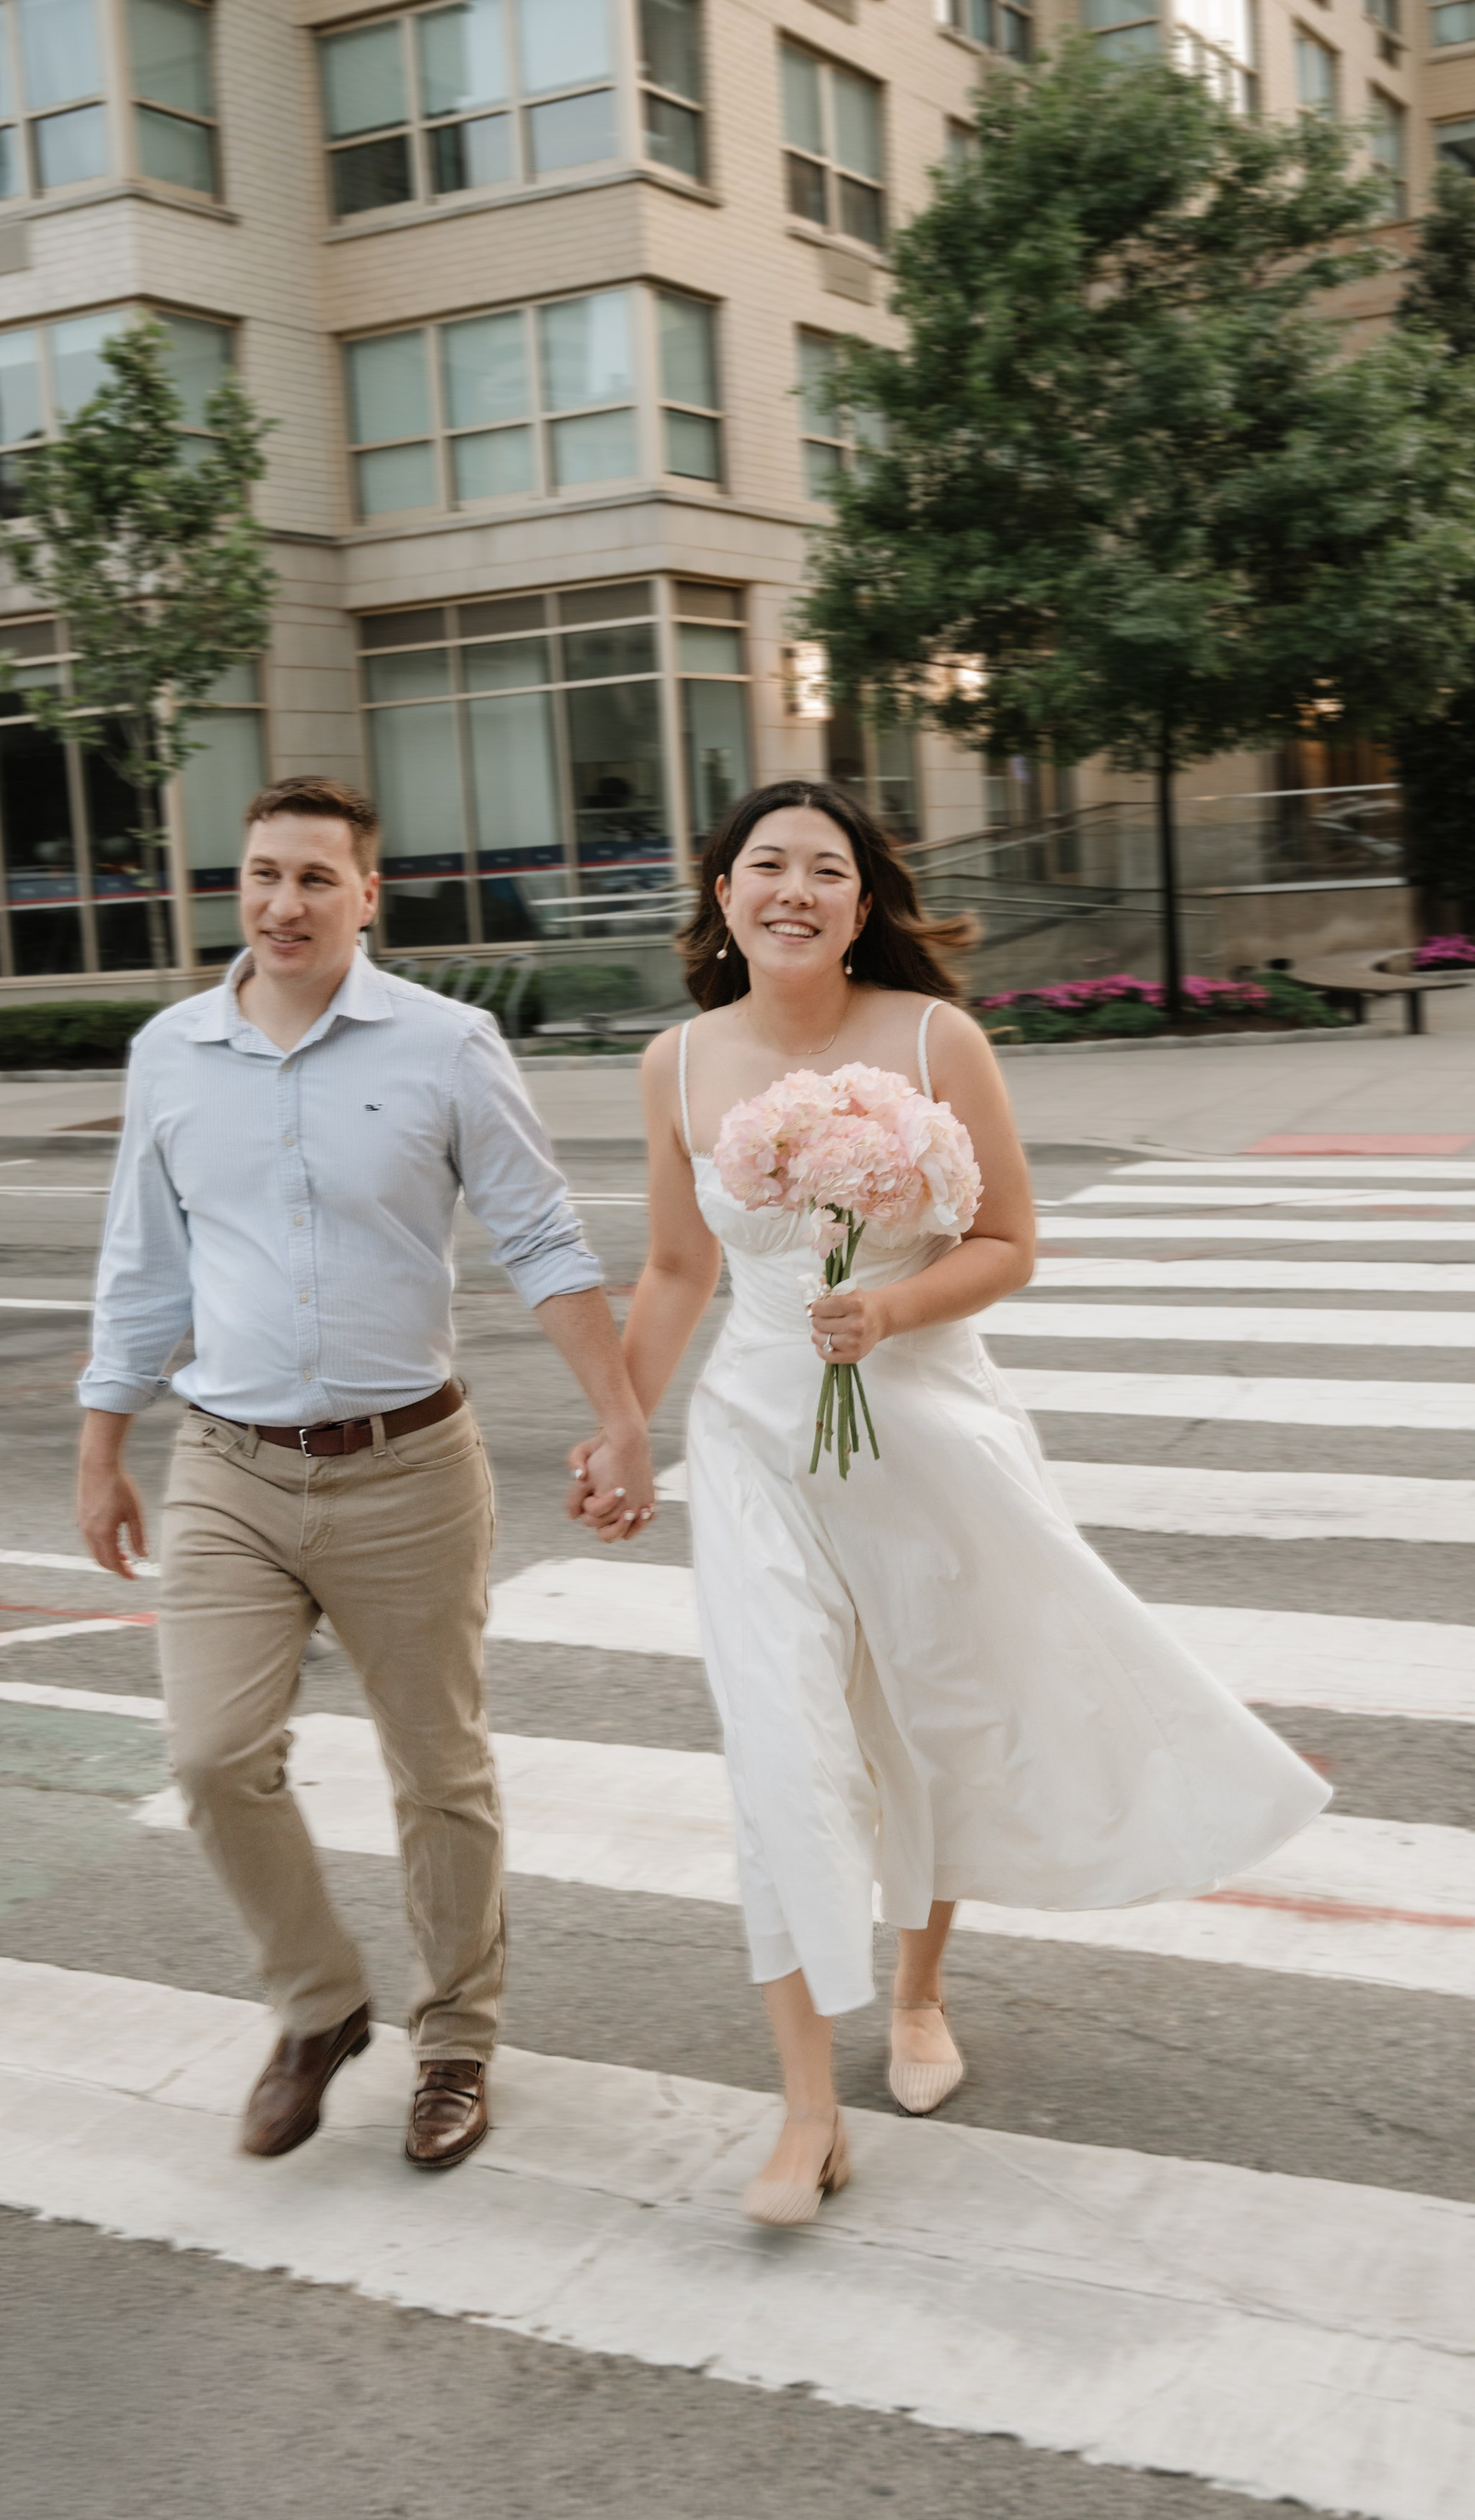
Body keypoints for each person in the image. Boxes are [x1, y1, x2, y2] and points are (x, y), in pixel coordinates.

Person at [572, 780, 1329, 2227]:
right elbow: (677, 1271)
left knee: (929, 1720)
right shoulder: (673, 1063)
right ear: (722, 891)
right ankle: (807, 2114)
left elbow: (1009, 1240)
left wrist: (894, 1301)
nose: (793, 888)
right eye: (765, 863)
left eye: (827, 869)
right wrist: (622, 1426)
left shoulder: (934, 1040)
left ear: (865, 903)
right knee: (781, 1750)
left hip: (923, 1425)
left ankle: (918, 1995)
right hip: (751, 1439)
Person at [76, 776, 654, 2171]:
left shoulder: (449, 1045)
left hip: (408, 1468)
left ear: (367, 895)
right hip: (228, 1463)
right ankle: (320, 2003)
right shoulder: (172, 1052)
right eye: (263, 875)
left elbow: (541, 1236)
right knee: (212, 1758)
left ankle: (456, 2039)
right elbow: (143, 1267)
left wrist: (623, 1416)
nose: (284, 903)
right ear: (240, 889)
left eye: (315, 879)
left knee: (438, 1768)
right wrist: (102, 1445)